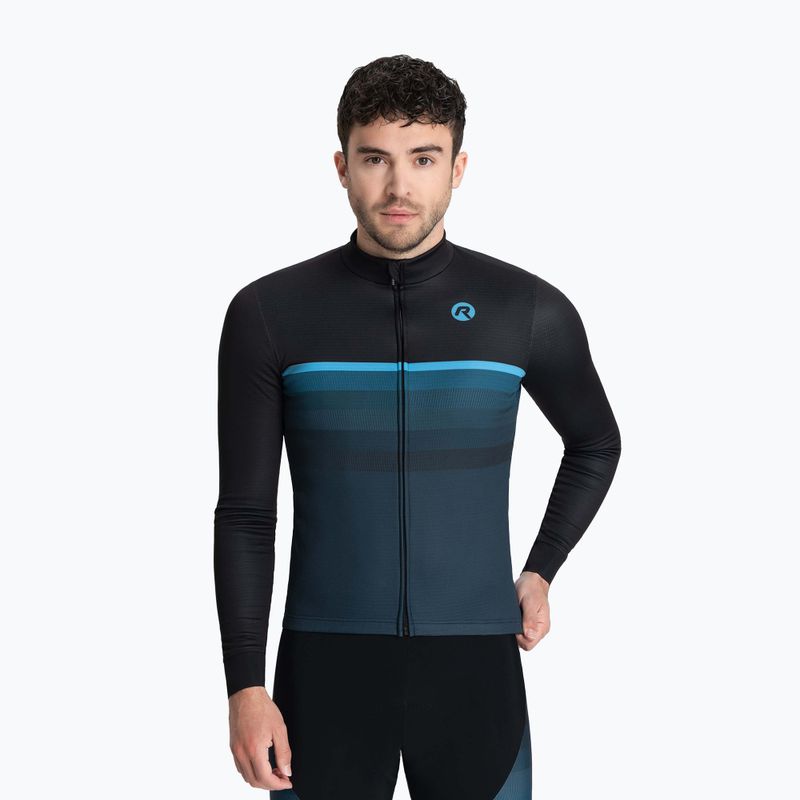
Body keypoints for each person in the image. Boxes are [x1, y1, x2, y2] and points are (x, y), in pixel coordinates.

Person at [214, 54, 622, 799]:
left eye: (424, 159)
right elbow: (245, 513)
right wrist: (245, 685)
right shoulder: (271, 313)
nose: (399, 187)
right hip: (324, 675)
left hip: (476, 673)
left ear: (458, 168)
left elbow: (595, 442)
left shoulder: (523, 309)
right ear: (342, 167)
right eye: (376, 158)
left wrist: (540, 569)